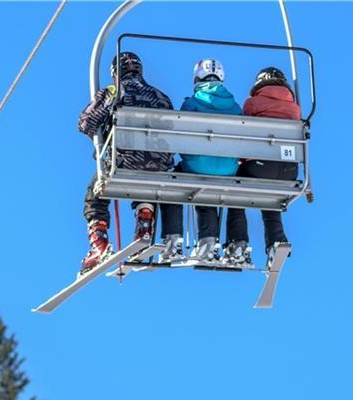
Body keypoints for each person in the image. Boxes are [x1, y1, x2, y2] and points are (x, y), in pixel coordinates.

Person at [78, 51, 184, 273]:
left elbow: (86, 123)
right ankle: (145, 222)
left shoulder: (114, 91)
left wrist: (100, 133)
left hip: (124, 162)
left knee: (94, 195)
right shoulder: (161, 97)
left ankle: (99, 244)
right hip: (158, 165)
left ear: (116, 71)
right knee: (146, 178)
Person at [223, 67, 303, 268]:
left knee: (234, 192)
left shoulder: (253, 103)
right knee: (271, 199)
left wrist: (241, 159)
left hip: (259, 165)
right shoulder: (295, 108)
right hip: (289, 170)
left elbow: (245, 133)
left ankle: (237, 242)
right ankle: (277, 240)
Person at [178, 59, 243, 263]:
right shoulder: (235, 107)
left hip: (199, 165)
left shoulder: (191, 104)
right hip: (229, 169)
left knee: (198, 183)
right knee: (233, 191)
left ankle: (207, 241)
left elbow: (180, 137)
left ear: (197, 78)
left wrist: (187, 157)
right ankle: (238, 244)